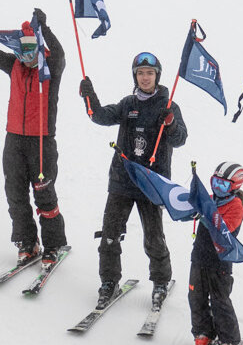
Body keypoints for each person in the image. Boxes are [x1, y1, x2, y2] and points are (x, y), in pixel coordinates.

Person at [78, 54, 188, 306]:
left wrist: (171, 124)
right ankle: (109, 282)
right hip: (123, 179)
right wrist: (89, 96)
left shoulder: (169, 105)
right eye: (140, 73)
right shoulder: (128, 104)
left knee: (154, 237)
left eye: (149, 73)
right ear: (135, 76)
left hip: (152, 182)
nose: (145, 78)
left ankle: (160, 282)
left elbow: (180, 139)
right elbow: (100, 116)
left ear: (157, 75)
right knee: (110, 234)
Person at [0, 4, 67, 262]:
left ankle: (53, 245)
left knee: (44, 194)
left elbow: (60, 54)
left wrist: (45, 28)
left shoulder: (50, 67)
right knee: (15, 194)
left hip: (42, 142)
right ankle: (27, 242)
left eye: (30, 50)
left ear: (37, 47)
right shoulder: (13, 65)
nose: (26, 55)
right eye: (21, 50)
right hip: (14, 140)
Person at [185, 161, 243, 345]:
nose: (218, 188)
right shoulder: (210, 199)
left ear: (235, 186)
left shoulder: (236, 206)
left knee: (220, 300)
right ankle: (203, 332)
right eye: (215, 183)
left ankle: (229, 339)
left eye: (223, 185)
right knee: (196, 296)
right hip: (199, 256)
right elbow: (193, 208)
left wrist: (204, 216)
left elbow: (223, 229)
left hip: (220, 262)